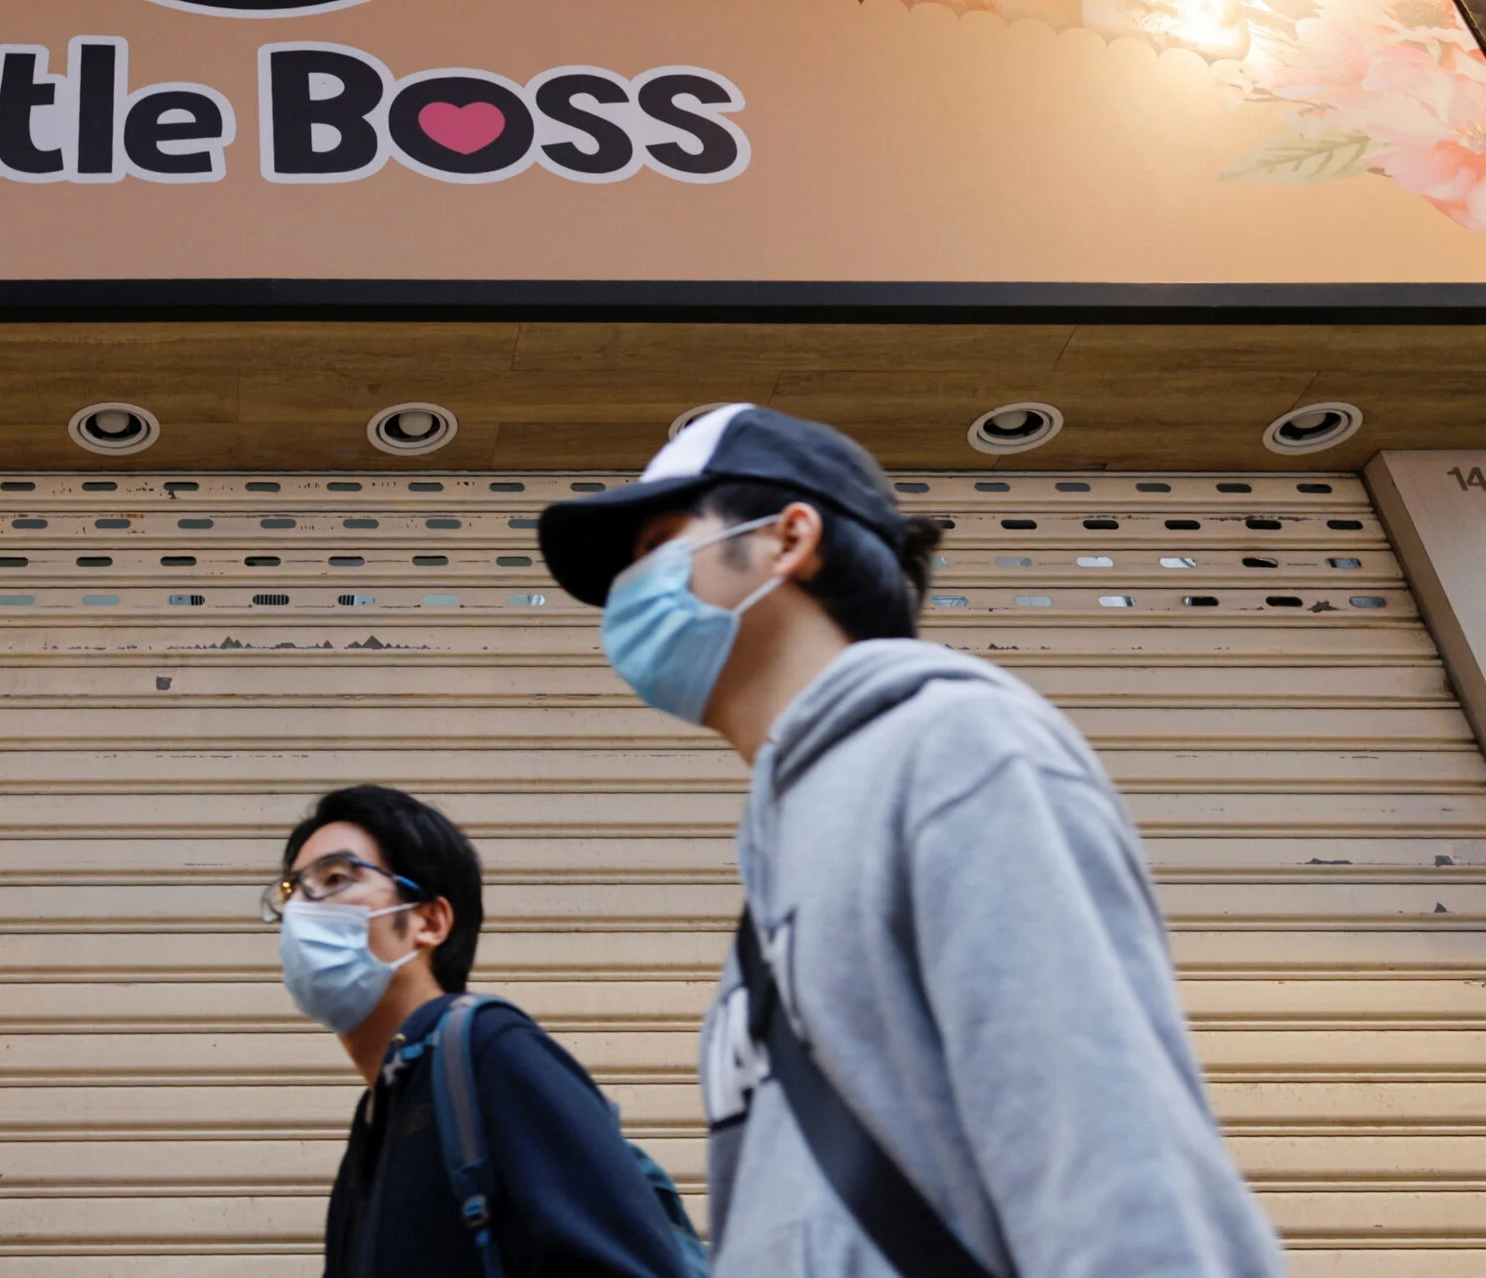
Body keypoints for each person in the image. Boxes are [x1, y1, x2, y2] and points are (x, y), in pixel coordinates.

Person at [537, 404, 1286, 1278]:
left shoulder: (956, 749)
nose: (634, 587)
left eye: (659, 541)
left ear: (788, 539)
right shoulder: (790, 831)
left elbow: (1114, 1165)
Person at [270, 783, 701, 1278]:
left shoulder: (490, 1052)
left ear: (429, 920)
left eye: (335, 878)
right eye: (292, 891)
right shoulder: (376, 1123)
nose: (302, 910)